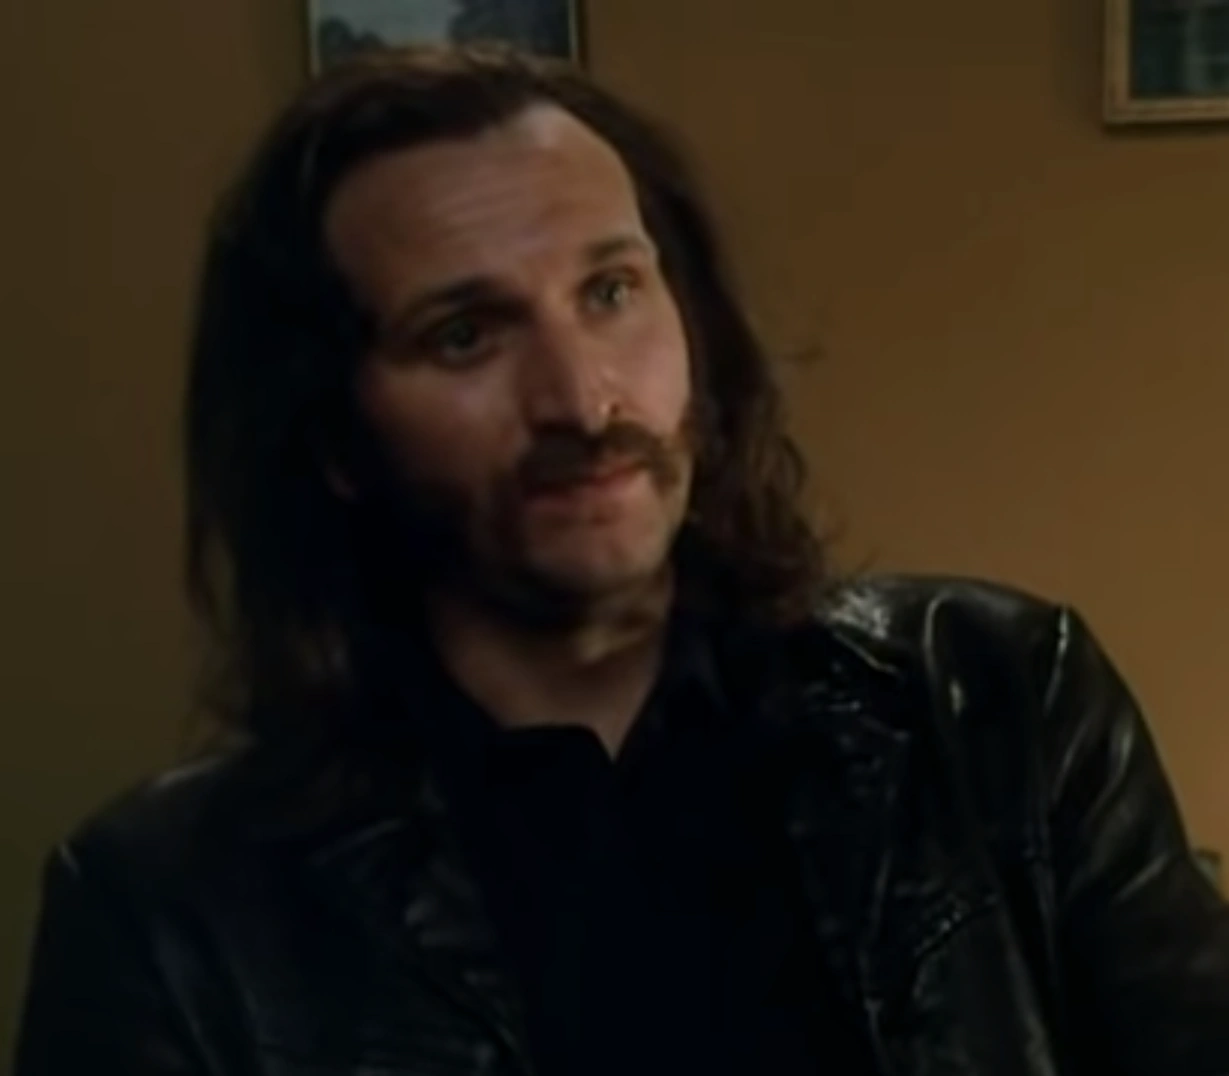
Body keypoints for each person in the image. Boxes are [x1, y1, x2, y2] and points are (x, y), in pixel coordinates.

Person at [14, 44, 1229, 1076]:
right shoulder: (163, 911)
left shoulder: (995, 701)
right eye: (464, 333)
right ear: (332, 434)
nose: (583, 399)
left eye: (608, 291)